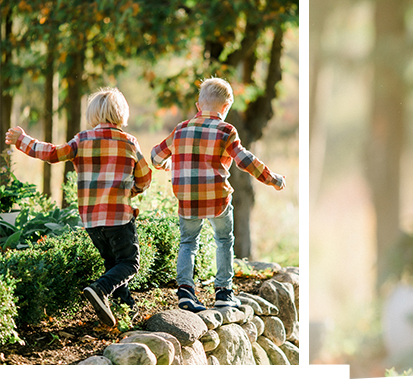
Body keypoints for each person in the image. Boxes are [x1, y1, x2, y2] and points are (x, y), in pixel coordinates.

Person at [5, 87, 152, 326]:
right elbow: (145, 177)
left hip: (92, 220)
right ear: (122, 114)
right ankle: (100, 289)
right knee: (128, 263)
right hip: (119, 218)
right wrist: (133, 190)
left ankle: (127, 309)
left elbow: (52, 153)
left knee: (113, 265)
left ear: (93, 115)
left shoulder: (81, 140)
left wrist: (23, 140)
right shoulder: (130, 142)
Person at [152, 77, 286, 312]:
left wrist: (166, 165)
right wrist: (272, 178)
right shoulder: (226, 130)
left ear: (198, 105)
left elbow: (155, 156)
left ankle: (185, 292)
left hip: (187, 199)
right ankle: (224, 292)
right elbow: (245, 160)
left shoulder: (181, 129)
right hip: (216, 198)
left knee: (188, 242)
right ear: (226, 107)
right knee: (224, 241)